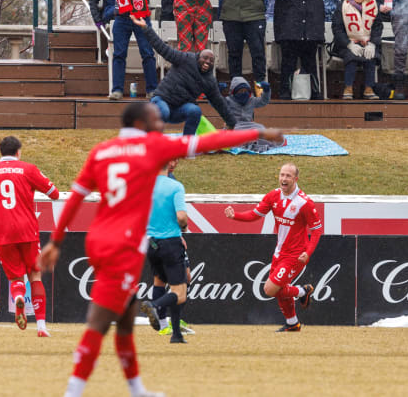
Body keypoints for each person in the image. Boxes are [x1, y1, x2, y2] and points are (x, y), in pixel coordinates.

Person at [38, 102, 282, 397]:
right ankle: (72, 392)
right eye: (156, 117)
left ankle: (137, 389)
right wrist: (258, 132)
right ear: (141, 122)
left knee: (126, 320)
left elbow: (75, 198)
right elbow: (211, 141)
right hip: (123, 244)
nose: (162, 121)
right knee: (99, 323)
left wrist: (56, 241)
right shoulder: (152, 147)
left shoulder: (102, 151)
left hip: (102, 238)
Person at [0, 136, 59, 336]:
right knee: (35, 276)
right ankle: (42, 327)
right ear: (18, 151)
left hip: (3, 232)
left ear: (0, 152)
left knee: (15, 278)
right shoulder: (28, 169)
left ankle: (18, 296)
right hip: (27, 230)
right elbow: (53, 193)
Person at [223, 162, 321, 332]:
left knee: (269, 289)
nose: (284, 179)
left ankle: (302, 292)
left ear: (296, 179)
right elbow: (254, 214)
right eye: (282, 175)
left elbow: (317, 230)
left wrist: (308, 252)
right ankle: (293, 323)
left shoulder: (304, 203)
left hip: (296, 255)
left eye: (288, 176)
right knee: (280, 289)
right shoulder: (273, 196)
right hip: (280, 253)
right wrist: (235, 216)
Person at [132, 15, 237, 135]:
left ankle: (187, 143)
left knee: (195, 110)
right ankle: (151, 138)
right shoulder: (185, 59)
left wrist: (231, 122)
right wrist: (146, 28)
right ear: (198, 57)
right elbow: (162, 48)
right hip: (161, 102)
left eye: (211, 60)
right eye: (205, 58)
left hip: (179, 110)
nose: (207, 62)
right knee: (164, 111)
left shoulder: (209, 81)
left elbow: (219, 103)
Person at [94, 0, 159, 100]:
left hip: (141, 17)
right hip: (122, 18)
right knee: (119, 54)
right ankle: (116, 90)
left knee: (147, 53)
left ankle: (152, 90)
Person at [137, 159, 191, 344]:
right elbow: (181, 217)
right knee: (180, 291)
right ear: (168, 165)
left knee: (160, 282)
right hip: (170, 242)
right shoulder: (175, 186)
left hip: (151, 244)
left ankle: (176, 334)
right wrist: (183, 225)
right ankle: (154, 305)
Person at [332, 0, 382, 100]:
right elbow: (337, 29)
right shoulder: (343, 6)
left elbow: (377, 27)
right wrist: (349, 44)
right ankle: (348, 87)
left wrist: (372, 44)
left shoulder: (372, 5)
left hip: (367, 41)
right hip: (346, 44)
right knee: (352, 56)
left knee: (370, 55)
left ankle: (368, 88)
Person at [223, 76, 284, 152]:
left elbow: (263, 101)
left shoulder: (251, 100)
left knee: (261, 128)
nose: (243, 93)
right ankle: (247, 142)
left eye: (246, 91)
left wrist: (267, 91)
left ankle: (261, 141)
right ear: (234, 92)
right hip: (235, 126)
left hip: (249, 125)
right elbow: (216, 103)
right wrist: (216, 91)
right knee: (233, 135)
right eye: (240, 91)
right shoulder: (228, 100)